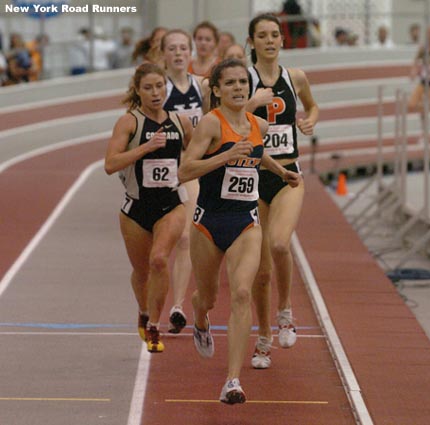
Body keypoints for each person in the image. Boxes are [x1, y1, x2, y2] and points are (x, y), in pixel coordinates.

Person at [178, 58, 301, 404]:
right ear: (216, 91)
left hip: (246, 222)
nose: (238, 88)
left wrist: (281, 172)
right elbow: (186, 171)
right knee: (207, 297)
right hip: (208, 222)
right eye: (229, 83)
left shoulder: (257, 124)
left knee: (242, 293)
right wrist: (225, 155)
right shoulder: (210, 125)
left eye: (242, 83)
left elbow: (258, 156)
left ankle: (232, 380)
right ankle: (199, 317)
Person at [246, 13, 319, 369]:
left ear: (282, 40)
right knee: (260, 270)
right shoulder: (244, 80)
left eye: (275, 34)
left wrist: (309, 121)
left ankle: (286, 310)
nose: (271, 41)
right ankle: (262, 338)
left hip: (288, 174)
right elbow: (224, 118)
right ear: (253, 42)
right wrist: (250, 104)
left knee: (279, 243)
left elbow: (313, 105)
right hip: (253, 177)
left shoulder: (296, 77)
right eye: (263, 36)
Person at [104, 63, 193, 353]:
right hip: (136, 209)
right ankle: (143, 310)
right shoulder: (129, 122)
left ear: (166, 87)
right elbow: (110, 165)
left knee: (159, 260)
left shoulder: (181, 123)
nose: (156, 93)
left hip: (171, 205)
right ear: (138, 91)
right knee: (141, 271)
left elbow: (195, 156)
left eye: (160, 86)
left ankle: (154, 325)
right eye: (149, 88)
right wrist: (145, 148)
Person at [160, 29, 208, 333]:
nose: (179, 53)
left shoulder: (201, 86)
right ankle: (148, 308)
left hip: (190, 169)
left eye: (183, 48)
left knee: (187, 239)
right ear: (163, 54)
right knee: (157, 249)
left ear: (190, 53)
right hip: (161, 170)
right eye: (172, 48)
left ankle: (177, 306)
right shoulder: (157, 89)